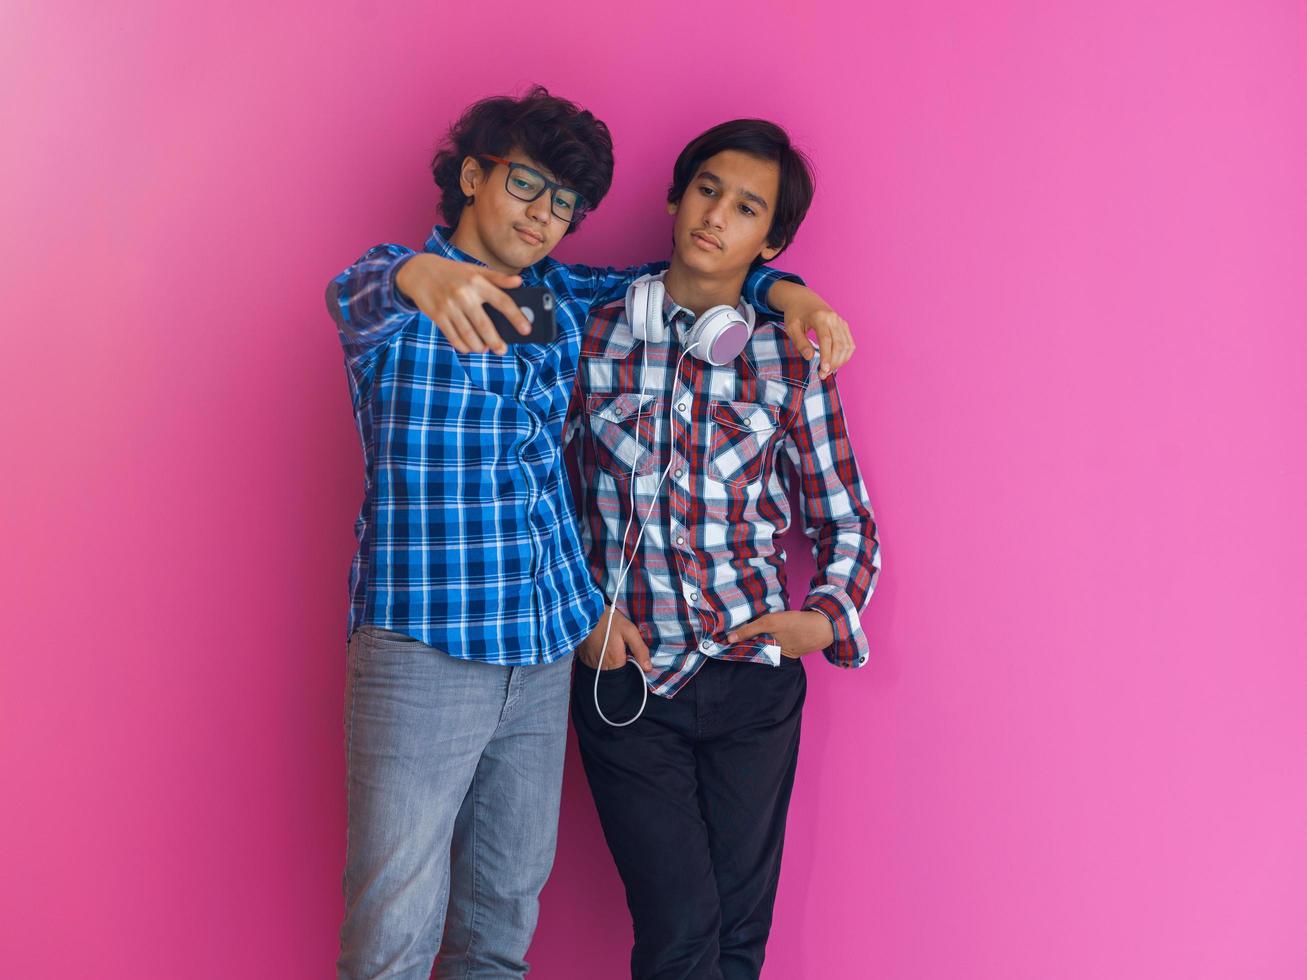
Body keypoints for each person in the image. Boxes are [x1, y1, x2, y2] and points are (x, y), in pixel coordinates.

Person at [325, 88, 854, 980]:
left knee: (500, 930)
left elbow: (694, 282)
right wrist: (414, 271)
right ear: (470, 175)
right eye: (526, 186)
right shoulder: (395, 305)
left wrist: (784, 287)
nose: (545, 216)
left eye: (564, 204)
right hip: (425, 649)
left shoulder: (569, 300)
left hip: (542, 656)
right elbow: (350, 292)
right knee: (391, 934)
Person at [565, 119, 881, 980]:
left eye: (747, 208)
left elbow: (846, 522)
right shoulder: (590, 338)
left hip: (753, 681)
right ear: (675, 197)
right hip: (626, 680)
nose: (716, 216)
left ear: (770, 241)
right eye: (706, 190)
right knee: (679, 935)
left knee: (737, 945)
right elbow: (538, 501)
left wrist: (826, 617)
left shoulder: (789, 357)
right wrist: (581, 613)